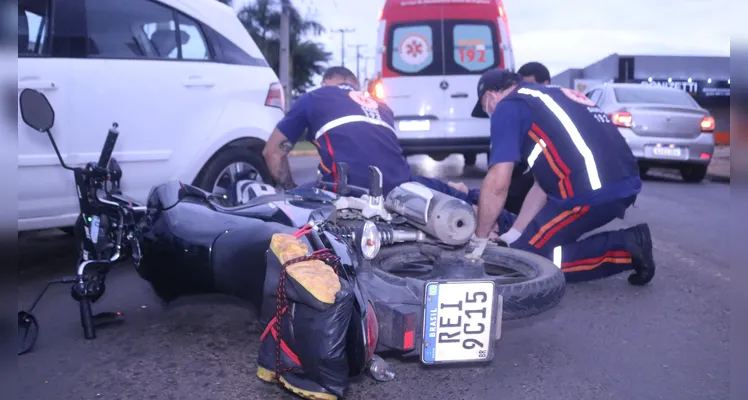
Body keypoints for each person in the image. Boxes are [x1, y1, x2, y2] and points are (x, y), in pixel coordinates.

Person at [466, 68, 656, 285]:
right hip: (621, 184)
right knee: (524, 246)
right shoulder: (550, 95)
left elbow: (498, 182)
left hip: (587, 193)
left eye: (486, 109)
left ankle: (626, 247)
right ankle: (626, 246)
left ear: (490, 96)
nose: (490, 114)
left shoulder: (509, 105)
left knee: (523, 263)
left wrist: (478, 240)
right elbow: (543, 184)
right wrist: (515, 234)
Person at [261, 66, 472, 200]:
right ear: (355, 85)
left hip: (345, 189)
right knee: (441, 187)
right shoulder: (382, 105)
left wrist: (289, 190)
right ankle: (472, 198)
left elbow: (272, 153)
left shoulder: (316, 96)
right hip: (400, 188)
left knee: (278, 202)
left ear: (325, 83)